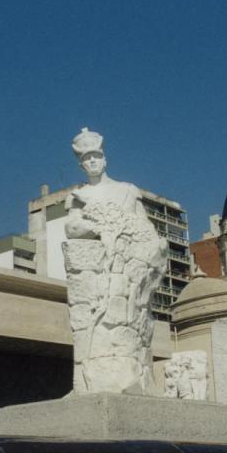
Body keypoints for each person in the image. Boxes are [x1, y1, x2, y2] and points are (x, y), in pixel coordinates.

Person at [63, 128, 167, 395]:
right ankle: (90, 381)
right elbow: (72, 228)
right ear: (81, 164)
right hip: (96, 271)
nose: (92, 162)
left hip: (129, 271)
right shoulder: (78, 195)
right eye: (86, 159)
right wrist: (100, 227)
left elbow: (144, 229)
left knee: (129, 323)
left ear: (104, 159)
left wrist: (125, 234)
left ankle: (134, 378)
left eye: (96, 156)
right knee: (96, 327)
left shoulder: (127, 191)